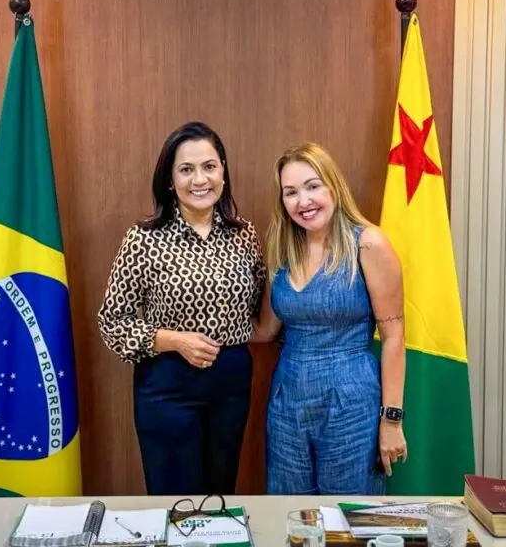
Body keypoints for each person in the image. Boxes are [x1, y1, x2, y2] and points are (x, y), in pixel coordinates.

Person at [97, 121, 266, 496]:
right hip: (167, 384)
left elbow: (258, 307)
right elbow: (112, 322)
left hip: (231, 382)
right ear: (170, 181)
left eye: (209, 166)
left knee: (219, 497)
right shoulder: (144, 238)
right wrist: (174, 340)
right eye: (186, 169)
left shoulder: (245, 235)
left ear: (223, 171)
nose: (199, 179)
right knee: (177, 500)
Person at [251, 142, 407, 495]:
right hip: (287, 403)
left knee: (346, 515)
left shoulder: (368, 244)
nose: (303, 201)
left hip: (351, 404)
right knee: (289, 513)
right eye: (291, 192)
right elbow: (265, 331)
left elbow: (394, 337)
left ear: (333, 186)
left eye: (312, 186)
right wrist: (193, 332)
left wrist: (391, 421)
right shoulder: (282, 250)